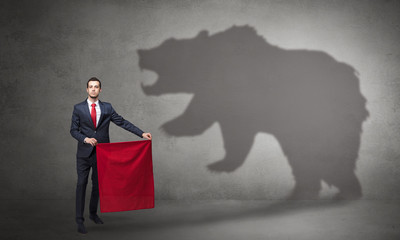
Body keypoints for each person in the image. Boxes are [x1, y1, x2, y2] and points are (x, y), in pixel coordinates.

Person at [70, 77, 152, 234]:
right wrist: (85, 139)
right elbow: (73, 130)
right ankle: (79, 220)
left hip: (102, 153)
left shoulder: (107, 108)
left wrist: (141, 133)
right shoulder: (78, 108)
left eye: (96, 87)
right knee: (81, 184)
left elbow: (122, 122)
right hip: (83, 154)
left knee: (98, 186)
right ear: (87, 90)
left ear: (100, 90)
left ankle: (93, 214)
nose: (93, 89)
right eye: (91, 87)